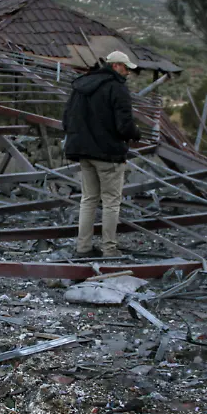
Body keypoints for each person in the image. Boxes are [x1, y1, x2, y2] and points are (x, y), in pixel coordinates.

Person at [62, 50, 140, 258]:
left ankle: (83, 248)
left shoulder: (81, 86)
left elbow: (66, 119)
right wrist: (136, 134)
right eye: (126, 69)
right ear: (115, 66)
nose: (128, 74)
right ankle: (109, 249)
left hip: (83, 152)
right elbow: (124, 126)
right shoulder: (117, 88)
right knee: (111, 202)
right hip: (108, 154)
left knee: (88, 200)